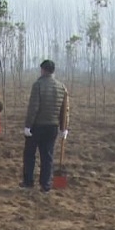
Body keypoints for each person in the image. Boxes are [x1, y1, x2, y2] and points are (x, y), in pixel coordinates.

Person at [21, 60, 69, 192]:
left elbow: (33, 107)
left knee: (30, 154)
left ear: (43, 70)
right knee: (47, 156)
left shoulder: (38, 85)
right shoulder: (62, 87)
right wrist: (63, 128)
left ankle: (28, 182)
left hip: (37, 126)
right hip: (53, 127)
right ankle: (46, 184)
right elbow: (65, 110)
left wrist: (27, 126)